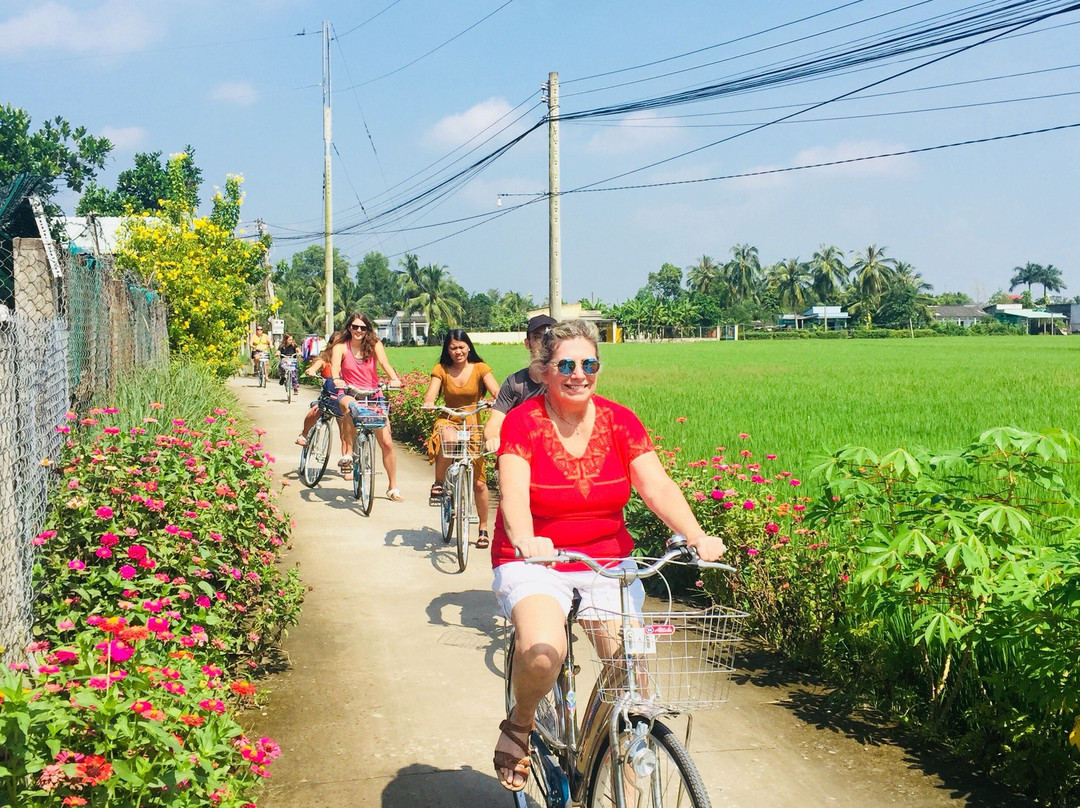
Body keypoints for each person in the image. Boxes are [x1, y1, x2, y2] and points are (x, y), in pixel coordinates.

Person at [490, 319, 727, 792]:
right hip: (537, 559)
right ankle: (520, 723)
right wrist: (526, 537)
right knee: (543, 652)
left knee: (628, 667)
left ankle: (603, 751)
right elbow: (513, 493)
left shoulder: (621, 420)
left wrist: (697, 535)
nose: (579, 374)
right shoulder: (523, 422)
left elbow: (656, 485)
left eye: (589, 363)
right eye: (566, 364)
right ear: (542, 370)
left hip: (606, 561)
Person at [421, 329, 500, 548]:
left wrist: (496, 401)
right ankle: (439, 483)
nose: (458, 352)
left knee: (480, 483)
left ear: (469, 347)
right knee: (447, 437)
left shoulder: (480, 368)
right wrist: (429, 402)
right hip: (449, 419)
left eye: (462, 347)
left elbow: (497, 391)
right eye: (453, 347)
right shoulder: (441, 369)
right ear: (447, 349)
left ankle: (483, 528)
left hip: (473, 423)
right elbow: (431, 393)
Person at [330, 312, 404, 499]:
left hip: (373, 394)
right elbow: (334, 367)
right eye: (355, 327)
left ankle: (392, 486)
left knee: (386, 442)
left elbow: (385, 363)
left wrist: (394, 379)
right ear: (349, 328)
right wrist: (337, 380)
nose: (358, 331)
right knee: (349, 407)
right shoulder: (341, 346)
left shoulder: (375, 345)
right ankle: (347, 452)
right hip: (349, 391)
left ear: (367, 329)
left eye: (363, 328)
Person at [483, 314, 555, 454]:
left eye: (549, 337)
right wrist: (492, 437)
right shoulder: (515, 383)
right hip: (522, 451)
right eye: (537, 337)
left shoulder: (566, 379)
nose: (544, 343)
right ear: (527, 343)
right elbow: (494, 422)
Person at [294, 331, 347, 452]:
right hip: (328, 397)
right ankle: (304, 434)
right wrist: (311, 371)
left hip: (343, 398)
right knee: (315, 410)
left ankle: (346, 457)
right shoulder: (324, 360)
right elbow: (313, 368)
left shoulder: (348, 362)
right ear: (331, 345)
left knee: (345, 431)